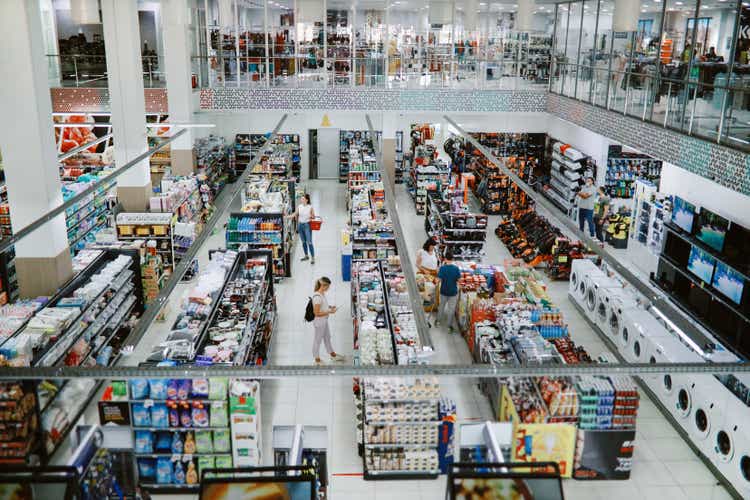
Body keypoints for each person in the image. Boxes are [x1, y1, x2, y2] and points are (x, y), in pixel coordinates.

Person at [311, 277, 345, 365]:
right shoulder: (317, 297)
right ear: (323, 286)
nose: (328, 288)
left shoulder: (322, 294)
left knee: (327, 338)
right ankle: (317, 360)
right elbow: (316, 313)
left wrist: (330, 307)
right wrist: (330, 311)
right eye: (328, 287)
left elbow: (323, 306)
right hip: (319, 322)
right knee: (317, 340)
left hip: (324, 321)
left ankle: (333, 355)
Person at [437, 251, 461, 334]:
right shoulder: (456, 269)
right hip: (453, 292)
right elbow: (459, 281)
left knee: (441, 307)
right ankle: (449, 326)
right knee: (451, 310)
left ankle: (438, 321)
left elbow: (439, 279)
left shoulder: (442, 268)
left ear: (445, 259)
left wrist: (435, 283)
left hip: (443, 291)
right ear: (453, 259)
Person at [287, 193, 316, 264]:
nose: (301, 200)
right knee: (303, 242)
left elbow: (313, 216)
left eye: (303, 199)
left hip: (307, 225)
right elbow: (295, 214)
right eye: (301, 199)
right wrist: (287, 217)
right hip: (300, 225)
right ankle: (306, 255)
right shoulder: (299, 206)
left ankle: (313, 258)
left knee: (309, 242)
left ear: (306, 200)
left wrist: (311, 216)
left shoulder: (310, 207)